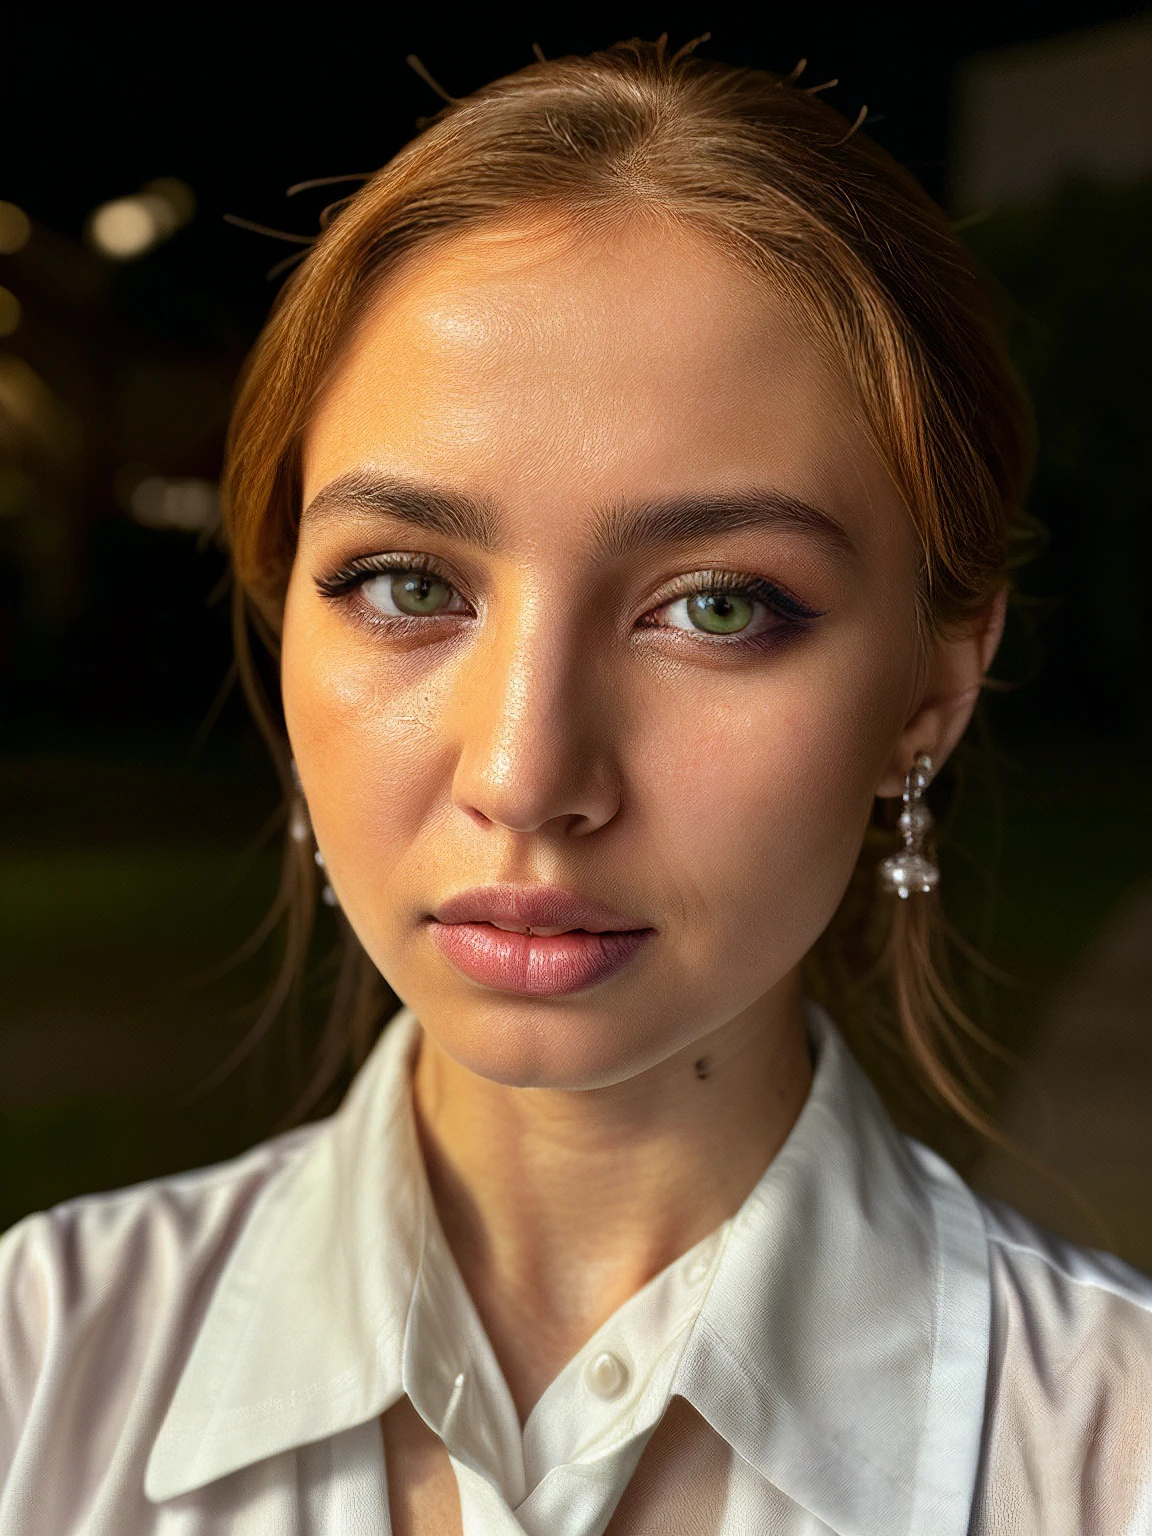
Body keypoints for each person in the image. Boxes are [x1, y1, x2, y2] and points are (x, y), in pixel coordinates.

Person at [1, 40, 1149, 1536]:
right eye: (409, 582)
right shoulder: (33, 1376)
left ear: (931, 688)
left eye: (718, 605)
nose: (525, 773)